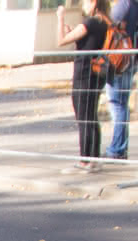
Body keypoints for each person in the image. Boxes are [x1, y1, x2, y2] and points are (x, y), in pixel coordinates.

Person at [61, 0, 112, 169]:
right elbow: (86, 41)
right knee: (91, 116)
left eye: (85, 2)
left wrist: (60, 18)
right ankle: (93, 158)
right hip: (97, 73)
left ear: (94, 3)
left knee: (83, 117)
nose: (83, 5)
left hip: (84, 74)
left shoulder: (90, 23)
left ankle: (85, 160)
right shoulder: (105, 22)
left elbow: (61, 41)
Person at [109, 0, 138, 158]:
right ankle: (119, 147)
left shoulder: (124, 6)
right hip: (130, 59)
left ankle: (117, 149)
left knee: (117, 104)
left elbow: (110, 28)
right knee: (122, 104)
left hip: (119, 60)